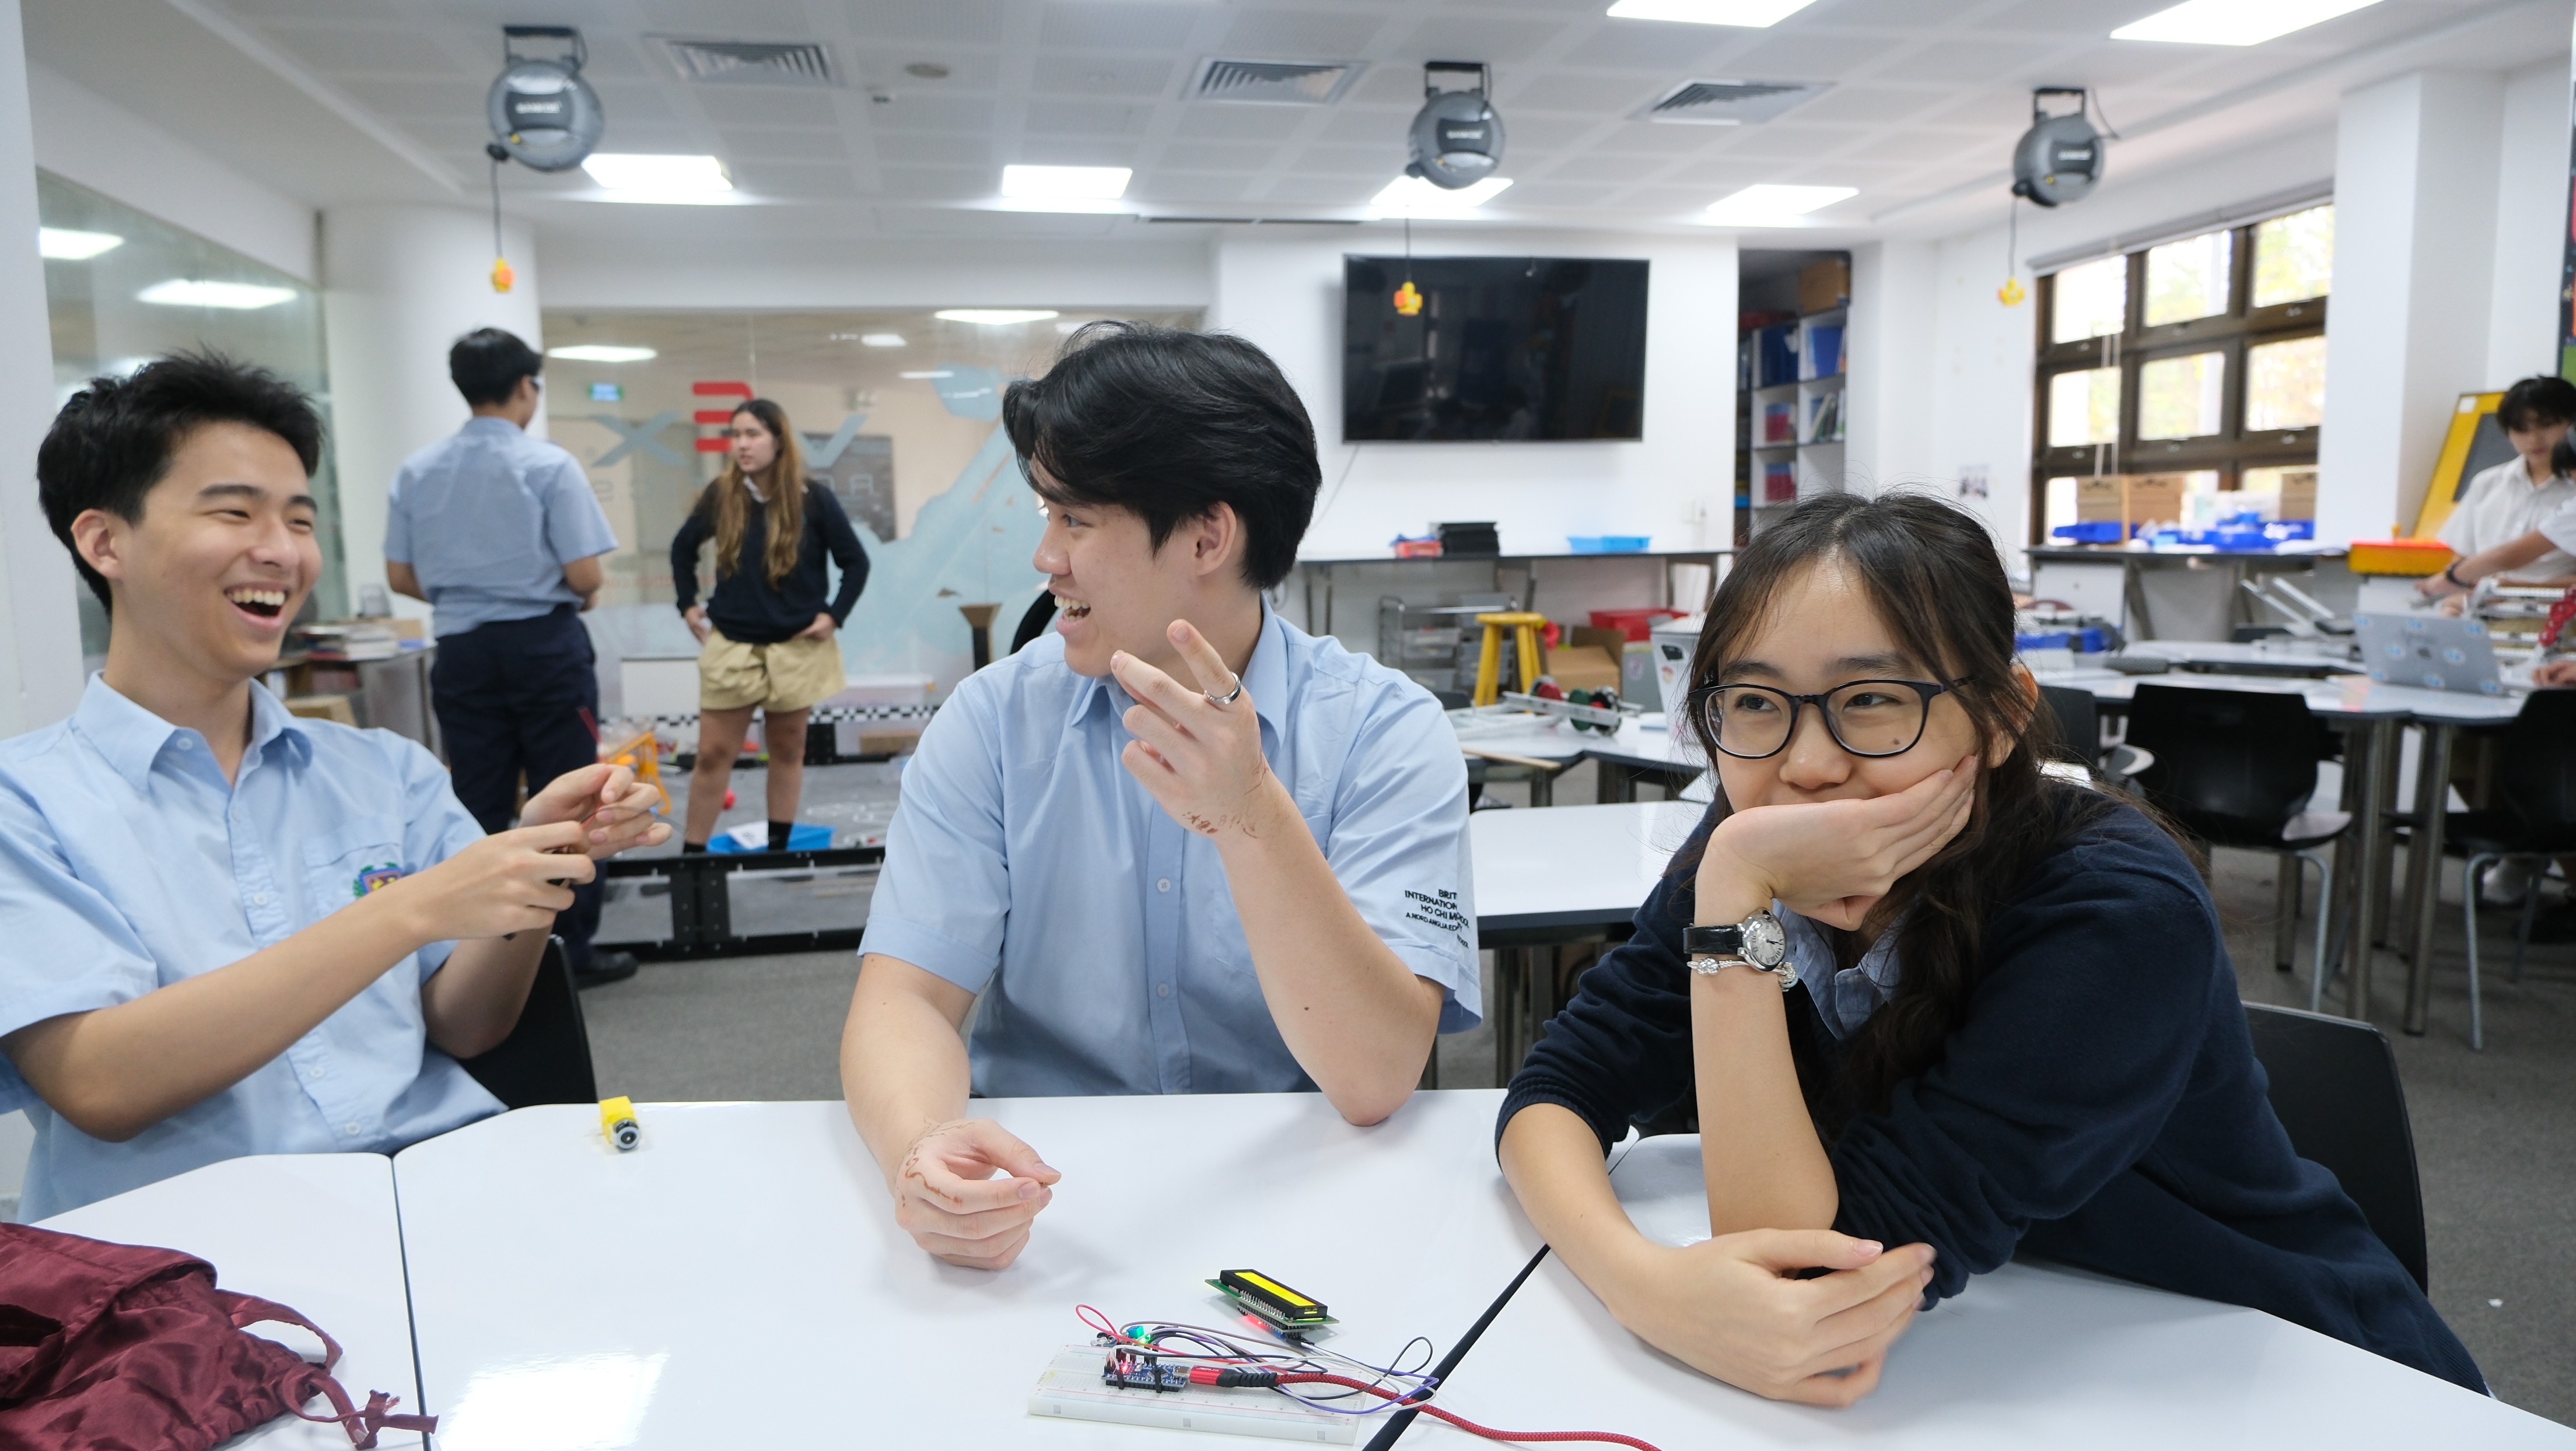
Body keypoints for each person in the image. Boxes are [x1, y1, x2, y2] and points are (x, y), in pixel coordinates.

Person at [1496, 492, 2482, 1407]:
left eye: (1873, 699)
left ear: (2005, 713)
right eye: (1754, 702)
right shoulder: (1753, 846)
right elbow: (1556, 1091)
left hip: (2276, 1374)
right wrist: (1640, 1283)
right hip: (2010, 1359)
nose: (1806, 764)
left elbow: (1800, 1271)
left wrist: (1731, 904)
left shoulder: (2114, 910)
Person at [839, 322, 1476, 1270]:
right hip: (1051, 1205)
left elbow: (1376, 1073)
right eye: (1046, 516)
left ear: (1207, 536)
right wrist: (923, 1147)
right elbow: (905, 999)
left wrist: (1251, 814)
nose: (1044, 557)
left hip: (1305, 1193)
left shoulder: (1384, 731)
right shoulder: (992, 723)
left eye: (1076, 520)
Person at [0, 354, 671, 1219]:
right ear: (104, 542)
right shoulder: (28, 802)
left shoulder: (383, 770)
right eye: (235, 512)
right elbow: (101, 1082)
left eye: (300, 520)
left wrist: (535, 867)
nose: (281, 552)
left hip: (437, 1201)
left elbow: (468, 1028)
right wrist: (410, 909)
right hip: (184, 1261)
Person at [384, 327, 634, 987]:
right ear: (527, 388)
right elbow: (584, 577)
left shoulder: (417, 471)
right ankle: (570, 952)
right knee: (575, 800)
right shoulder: (547, 465)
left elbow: (401, 575)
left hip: (463, 650)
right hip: (543, 648)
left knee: (474, 802)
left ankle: (475, 957)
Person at [667, 398, 869, 853]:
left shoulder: (813, 499)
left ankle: (778, 846)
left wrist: (834, 616)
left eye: (753, 434)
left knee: (788, 749)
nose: (742, 444)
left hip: (795, 647)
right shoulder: (722, 495)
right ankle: (693, 856)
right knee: (712, 754)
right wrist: (687, 604)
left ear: (778, 441)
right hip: (733, 646)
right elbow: (682, 549)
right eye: (736, 434)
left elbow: (855, 562)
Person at [2415, 376, 2576, 612]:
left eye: (2546, 425)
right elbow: (2464, 558)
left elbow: (2508, 556)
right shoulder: (2487, 483)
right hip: (2481, 612)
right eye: (2521, 429)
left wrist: (2502, 588)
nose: (2534, 439)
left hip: (2556, 619)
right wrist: (2457, 595)